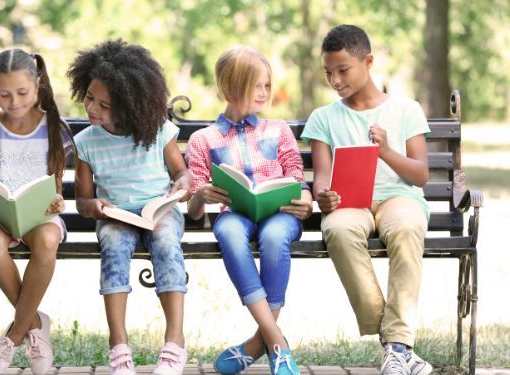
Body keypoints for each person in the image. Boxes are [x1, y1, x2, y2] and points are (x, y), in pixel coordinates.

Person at [301, 24, 433, 375]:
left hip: (399, 198)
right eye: (328, 72)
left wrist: (387, 151)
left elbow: (420, 174)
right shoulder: (324, 118)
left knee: (406, 227)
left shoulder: (406, 109)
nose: (335, 79)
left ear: (368, 61)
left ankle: (397, 345)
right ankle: (395, 342)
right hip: (350, 203)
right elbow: (322, 179)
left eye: (343, 70)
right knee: (339, 230)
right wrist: (323, 196)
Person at [185, 46, 312, 375]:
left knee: (273, 237)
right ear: (229, 88)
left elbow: (297, 177)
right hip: (235, 214)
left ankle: (260, 344)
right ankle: (276, 342)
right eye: (255, 85)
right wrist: (201, 194)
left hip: (279, 212)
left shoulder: (278, 129)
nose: (263, 92)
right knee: (227, 230)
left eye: (266, 85)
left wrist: (306, 199)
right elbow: (196, 212)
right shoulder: (203, 139)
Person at [67, 39, 192, 375]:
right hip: (116, 214)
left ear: (130, 106)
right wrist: (92, 205)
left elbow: (182, 173)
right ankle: (119, 344)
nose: (93, 109)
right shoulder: (86, 143)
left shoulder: (158, 132)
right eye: (90, 98)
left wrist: (181, 186)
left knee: (166, 244)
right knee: (114, 247)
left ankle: (174, 341)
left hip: (160, 211)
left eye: (105, 105)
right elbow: (81, 200)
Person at [0, 49, 74, 375]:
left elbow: (55, 189)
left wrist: (57, 202)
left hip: (39, 215)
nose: (13, 102)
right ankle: (35, 322)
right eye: (4, 95)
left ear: (38, 85)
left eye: (22, 93)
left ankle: (12, 339)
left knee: (47, 241)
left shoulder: (55, 127)